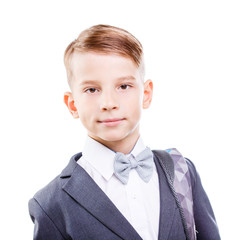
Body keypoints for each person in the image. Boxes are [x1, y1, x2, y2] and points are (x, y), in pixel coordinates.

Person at [28, 24, 220, 240]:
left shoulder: (181, 170)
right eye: (92, 89)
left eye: (124, 86)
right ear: (72, 104)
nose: (109, 103)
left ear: (146, 94)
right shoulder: (51, 203)